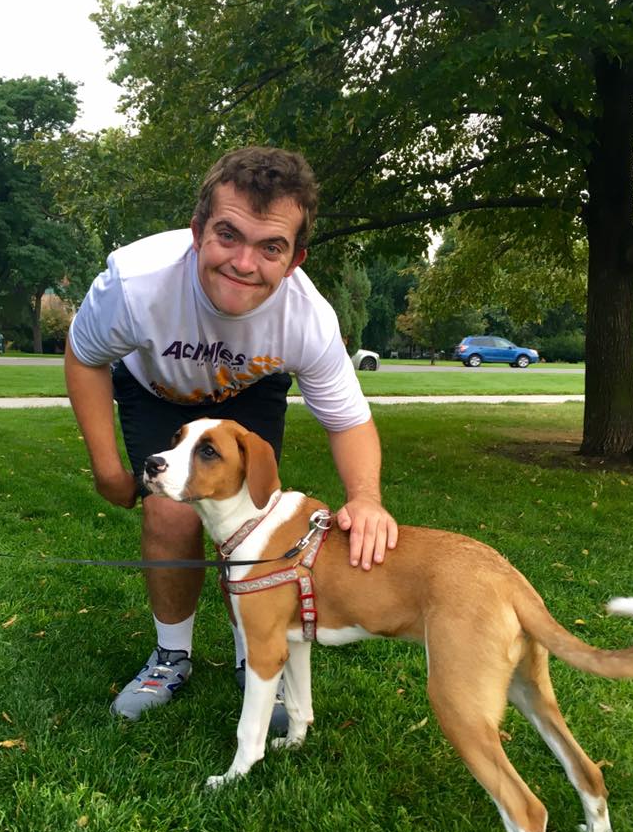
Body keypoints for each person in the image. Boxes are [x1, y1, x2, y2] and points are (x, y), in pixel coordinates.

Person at [65, 146, 398, 727]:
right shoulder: (134, 281)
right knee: (171, 515)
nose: (245, 262)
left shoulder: (308, 318)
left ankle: (255, 657)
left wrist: (366, 497)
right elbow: (85, 356)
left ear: (294, 259)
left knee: (253, 524)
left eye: (271, 247)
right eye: (228, 235)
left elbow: (348, 419)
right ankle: (172, 656)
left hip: (246, 394)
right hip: (157, 391)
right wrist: (107, 469)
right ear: (197, 231)